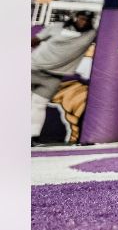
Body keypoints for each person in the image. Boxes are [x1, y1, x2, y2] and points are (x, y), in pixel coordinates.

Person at [31, 11, 97, 143]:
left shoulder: (90, 34)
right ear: (75, 17)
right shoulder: (57, 26)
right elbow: (36, 40)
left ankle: (32, 137)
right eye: (82, 19)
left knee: (38, 105)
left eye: (87, 20)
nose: (83, 22)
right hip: (33, 68)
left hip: (54, 77)